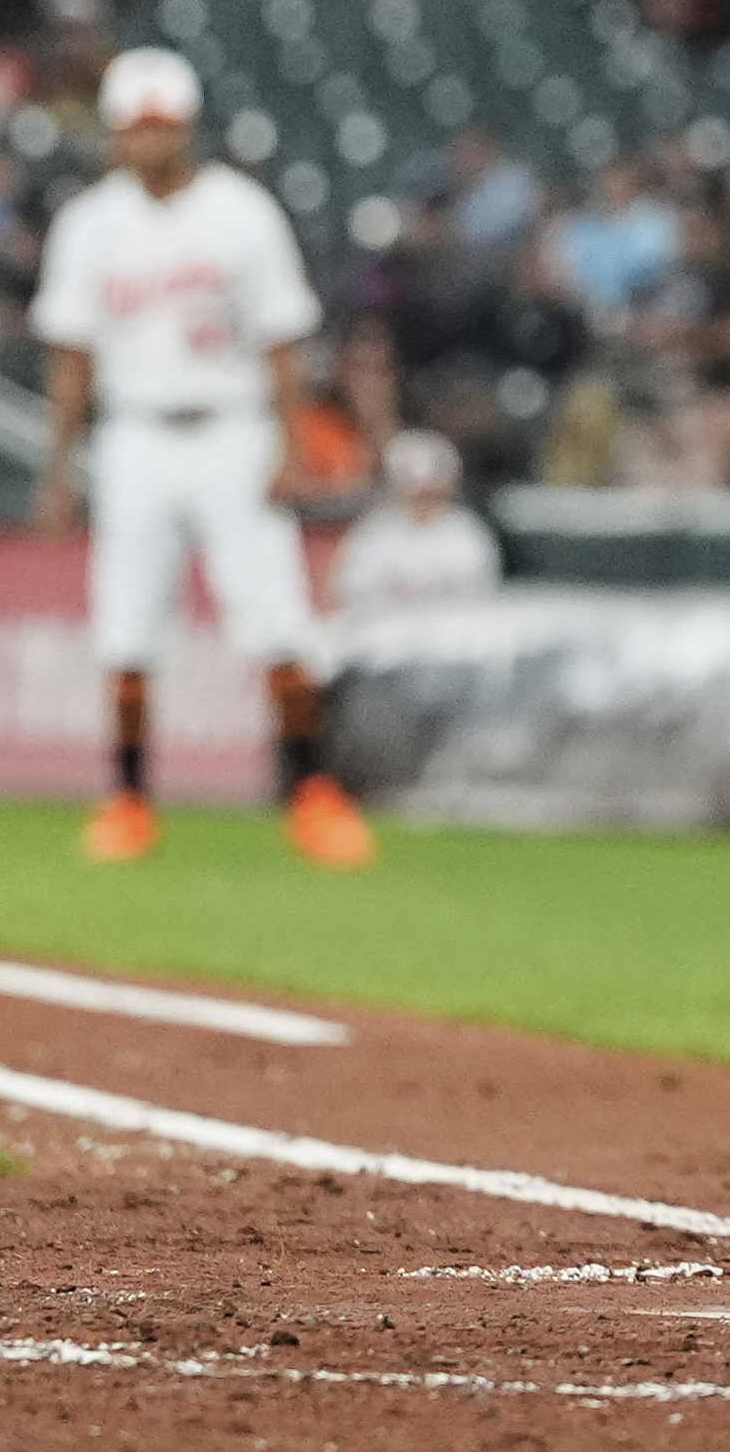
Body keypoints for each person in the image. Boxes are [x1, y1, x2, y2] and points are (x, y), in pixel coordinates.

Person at [29, 48, 374, 868]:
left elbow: (283, 339)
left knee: (279, 622)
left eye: (161, 127)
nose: (147, 142)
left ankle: (311, 793)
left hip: (232, 426)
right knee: (125, 630)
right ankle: (127, 798)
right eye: (134, 128)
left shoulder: (240, 213)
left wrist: (291, 443)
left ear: (185, 128)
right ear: (114, 133)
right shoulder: (89, 223)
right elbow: (71, 357)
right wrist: (57, 466)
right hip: (135, 434)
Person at [330, 428, 502, 615]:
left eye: (432, 493)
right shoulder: (373, 533)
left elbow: (483, 598)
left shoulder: (468, 533)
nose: (424, 499)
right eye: (417, 492)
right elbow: (350, 594)